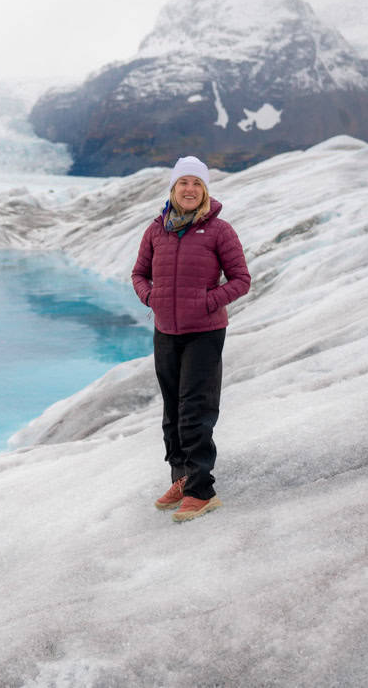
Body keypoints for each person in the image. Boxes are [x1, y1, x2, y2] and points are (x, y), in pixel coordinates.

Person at [131, 156, 251, 522]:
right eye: (184, 183)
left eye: (196, 184)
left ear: (204, 191)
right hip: (166, 331)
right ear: (173, 188)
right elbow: (139, 274)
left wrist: (205, 302)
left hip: (205, 332)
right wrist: (152, 299)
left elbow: (240, 280)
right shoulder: (156, 230)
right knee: (172, 411)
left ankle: (202, 491)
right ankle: (182, 478)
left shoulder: (219, 230)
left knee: (194, 411)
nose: (189, 189)